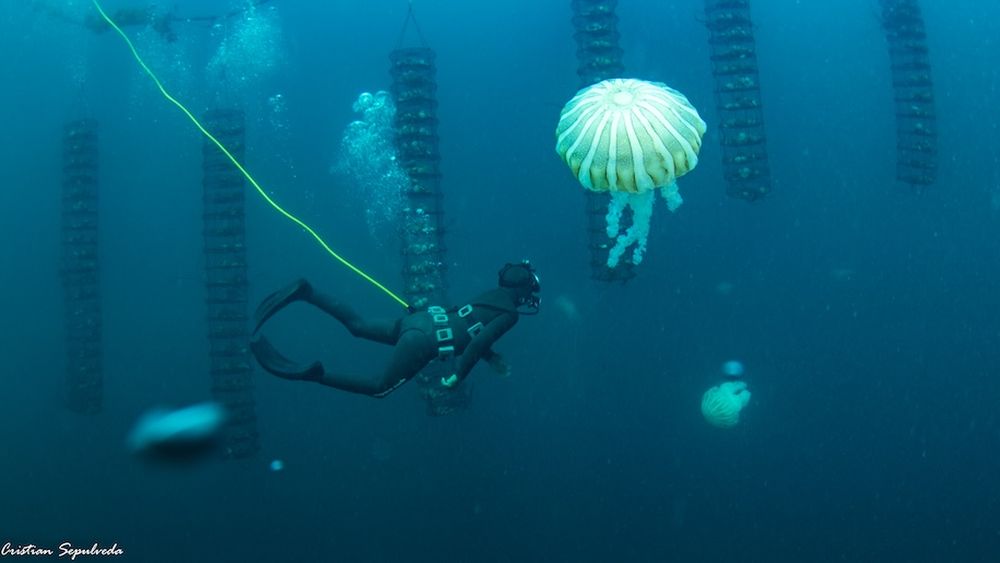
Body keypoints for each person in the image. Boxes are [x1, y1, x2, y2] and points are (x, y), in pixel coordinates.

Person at [249, 260, 541, 398]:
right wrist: (457, 376)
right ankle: (315, 375)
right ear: (526, 290)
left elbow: (472, 327)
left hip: (422, 321)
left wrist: (491, 357)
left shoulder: (492, 294)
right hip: (425, 342)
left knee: (358, 325)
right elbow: (476, 343)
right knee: (380, 388)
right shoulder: (511, 314)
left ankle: (307, 292)